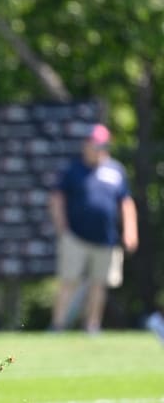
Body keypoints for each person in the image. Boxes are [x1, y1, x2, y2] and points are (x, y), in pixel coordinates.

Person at [49, 123, 138, 334]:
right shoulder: (72, 169)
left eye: (100, 144)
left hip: (106, 239)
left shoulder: (116, 170)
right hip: (76, 237)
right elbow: (56, 197)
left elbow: (126, 202)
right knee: (68, 281)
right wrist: (62, 226)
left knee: (99, 285)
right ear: (85, 145)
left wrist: (130, 231)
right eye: (92, 144)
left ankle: (92, 326)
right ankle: (57, 326)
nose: (96, 148)